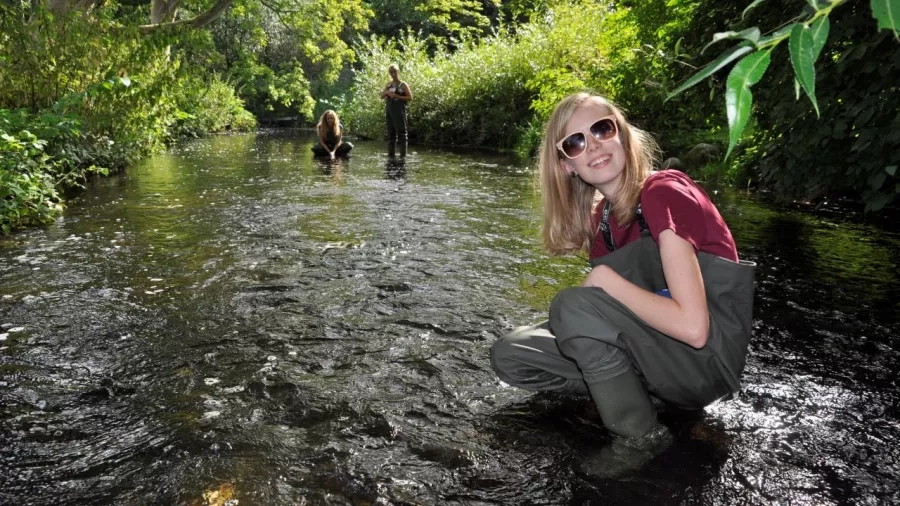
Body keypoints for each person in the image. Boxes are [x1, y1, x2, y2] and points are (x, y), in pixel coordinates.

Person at [490, 93, 756, 439]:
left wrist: (603, 281)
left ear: (623, 135)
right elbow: (609, 317)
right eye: (575, 142)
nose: (594, 146)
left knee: (572, 305)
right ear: (566, 165)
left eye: (602, 129)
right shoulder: (603, 221)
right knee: (512, 353)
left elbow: (694, 328)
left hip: (704, 362)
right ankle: (642, 399)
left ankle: (638, 437)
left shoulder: (665, 192)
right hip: (655, 355)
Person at [379, 63, 413, 158]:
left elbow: (410, 97)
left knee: (402, 135)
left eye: (395, 72)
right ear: (389, 73)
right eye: (391, 72)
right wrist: (386, 92)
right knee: (391, 135)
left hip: (399, 112)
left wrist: (397, 96)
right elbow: (382, 96)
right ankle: (391, 157)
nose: (393, 74)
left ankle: (403, 158)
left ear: (398, 72)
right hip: (389, 112)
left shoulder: (403, 85)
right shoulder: (389, 85)